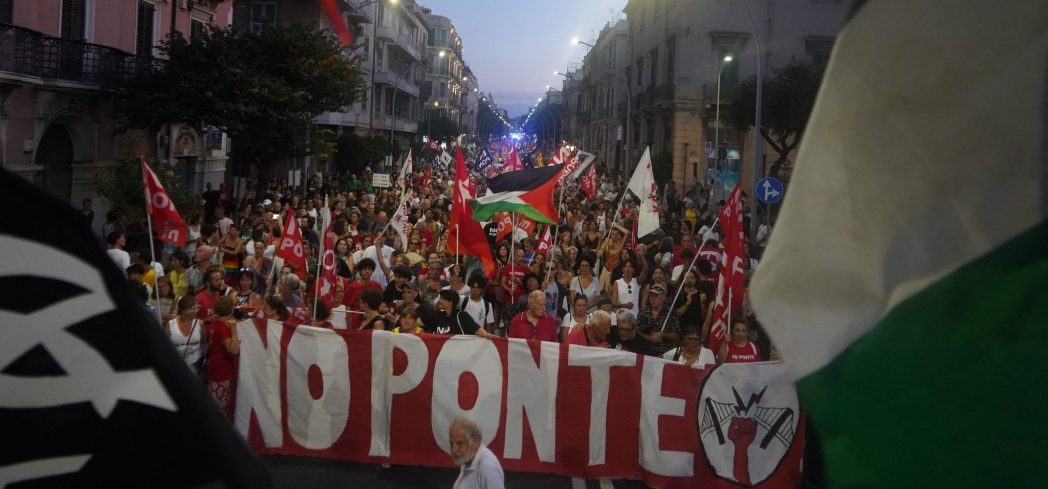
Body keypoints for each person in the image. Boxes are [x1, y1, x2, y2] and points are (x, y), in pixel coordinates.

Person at [206, 296, 239, 419]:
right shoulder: (222, 328)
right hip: (222, 371)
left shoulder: (215, 323)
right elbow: (233, 349)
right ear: (231, 309)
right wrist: (234, 331)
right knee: (221, 406)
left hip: (215, 368)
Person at [449, 418, 504, 489]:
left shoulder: (488, 468)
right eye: (451, 443)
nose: (454, 450)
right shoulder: (467, 460)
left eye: (460, 444)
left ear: (476, 442)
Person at [165, 295, 206, 379]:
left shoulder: (200, 324)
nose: (197, 310)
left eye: (198, 307)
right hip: (175, 364)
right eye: (193, 308)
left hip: (196, 363)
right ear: (183, 310)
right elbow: (164, 345)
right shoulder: (170, 324)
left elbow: (204, 343)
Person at [416, 290, 490, 336]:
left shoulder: (461, 315)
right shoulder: (437, 316)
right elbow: (419, 322)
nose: (439, 301)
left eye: (442, 298)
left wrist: (488, 336)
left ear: (451, 301)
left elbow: (477, 330)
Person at [635, 284, 680, 357]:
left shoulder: (671, 313)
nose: (653, 299)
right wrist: (650, 337)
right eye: (651, 296)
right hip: (644, 351)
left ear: (663, 298)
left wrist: (663, 334)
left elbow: (676, 337)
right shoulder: (643, 312)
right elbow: (636, 332)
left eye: (656, 296)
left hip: (664, 354)